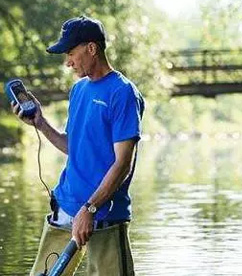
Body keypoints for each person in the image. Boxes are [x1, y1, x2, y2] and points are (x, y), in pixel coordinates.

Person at [12, 16, 144, 276]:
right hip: (66, 207)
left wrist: (90, 209)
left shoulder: (123, 93)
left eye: (71, 53)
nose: (68, 61)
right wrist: (41, 124)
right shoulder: (79, 90)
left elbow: (122, 164)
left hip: (105, 216)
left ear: (92, 49)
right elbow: (75, 147)